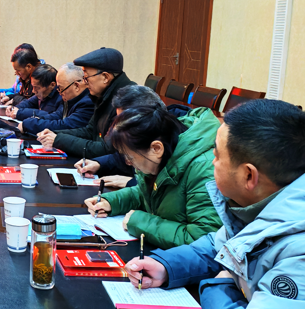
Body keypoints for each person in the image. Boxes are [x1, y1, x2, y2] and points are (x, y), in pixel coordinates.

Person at [125, 100, 305, 309]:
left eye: (216, 155)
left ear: (249, 175)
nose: (211, 162)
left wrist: (220, 285)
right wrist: (167, 265)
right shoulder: (275, 196)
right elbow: (221, 244)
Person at [84, 105, 223, 248]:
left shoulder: (203, 170)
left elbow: (204, 240)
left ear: (156, 148)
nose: (127, 162)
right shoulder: (166, 152)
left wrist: (140, 222)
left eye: (129, 157)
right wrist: (112, 201)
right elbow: (147, 193)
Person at [37, 47, 135, 159]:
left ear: (105, 77)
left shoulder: (128, 101)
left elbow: (106, 149)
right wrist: (55, 134)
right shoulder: (104, 95)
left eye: (87, 77)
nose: (85, 83)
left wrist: (58, 139)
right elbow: (90, 131)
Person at [76, 85, 171, 188]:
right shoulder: (158, 130)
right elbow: (126, 157)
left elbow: (169, 190)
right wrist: (99, 164)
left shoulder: (175, 141)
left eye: (125, 122)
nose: (120, 126)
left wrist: (132, 182)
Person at [20, 63, 94, 136]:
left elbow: (65, 126)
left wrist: (31, 124)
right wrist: (37, 119)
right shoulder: (72, 98)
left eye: (61, 89)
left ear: (76, 86)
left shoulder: (88, 103)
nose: (60, 93)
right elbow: (57, 115)